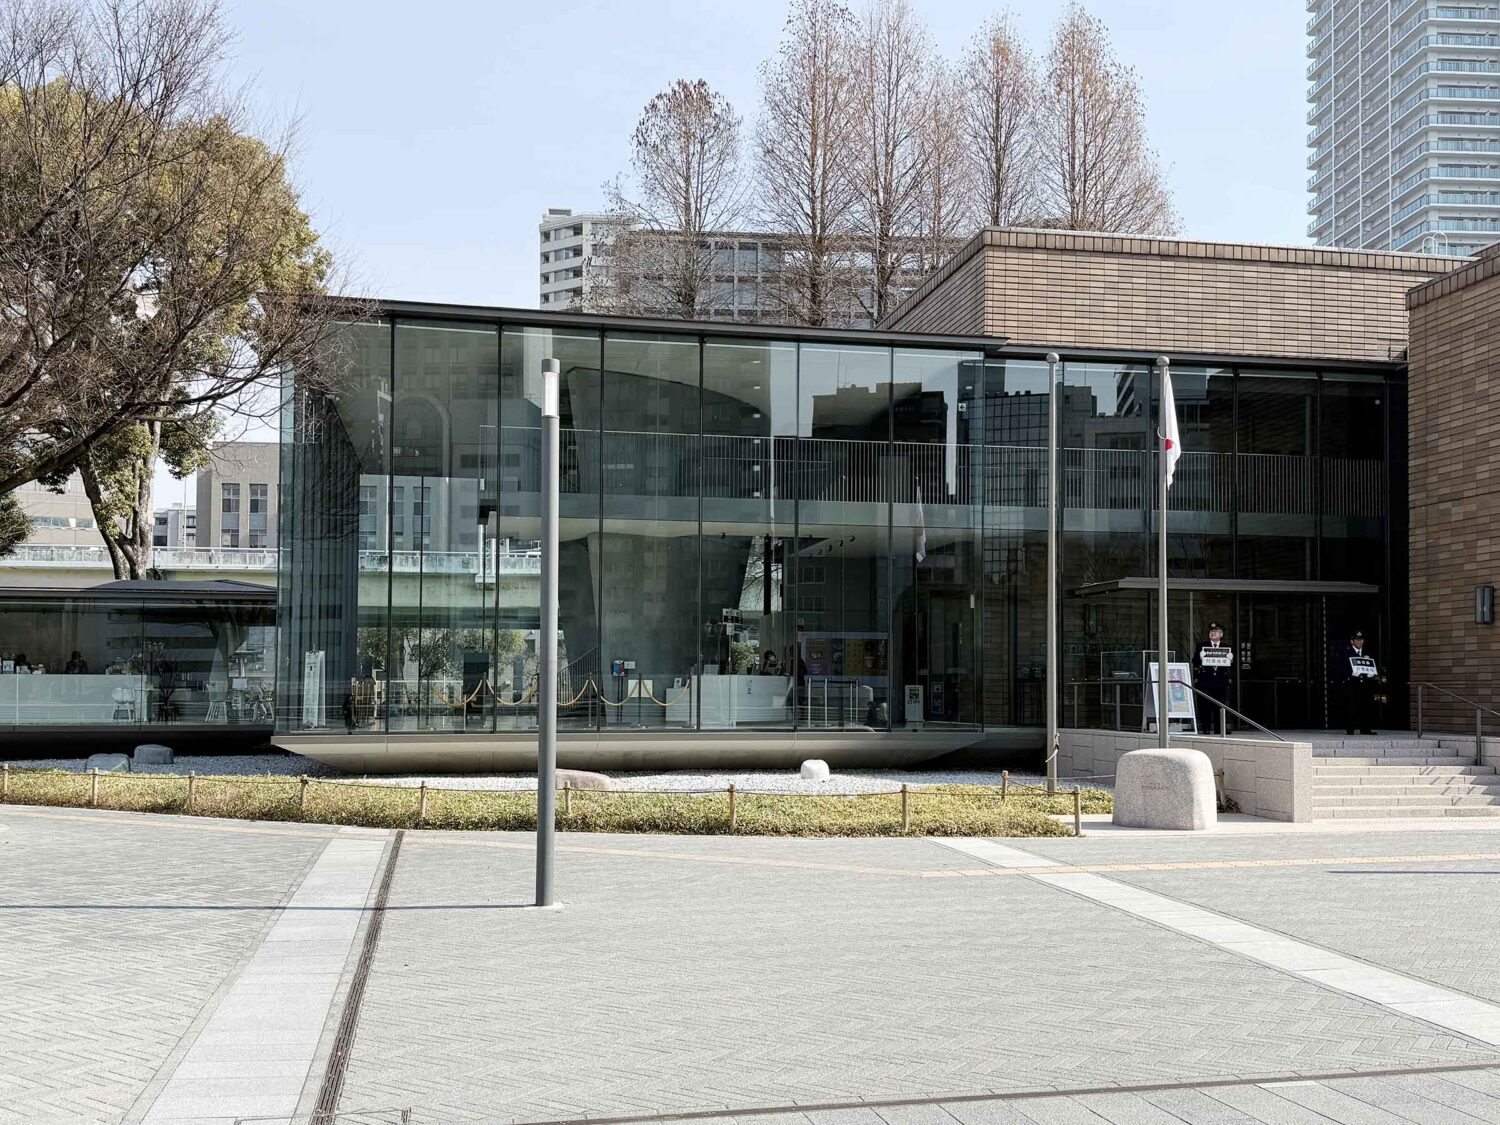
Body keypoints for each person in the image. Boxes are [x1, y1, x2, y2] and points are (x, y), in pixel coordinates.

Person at [1192, 622, 1233, 733]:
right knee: (1204, 706)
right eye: (1211, 631)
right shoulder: (1202, 646)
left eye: (1216, 631)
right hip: (1205, 681)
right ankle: (1205, 728)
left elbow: (1232, 665)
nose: (1213, 633)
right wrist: (1200, 657)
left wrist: (1231, 659)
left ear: (1221, 634)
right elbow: (1194, 661)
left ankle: (1219, 729)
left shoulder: (1227, 647)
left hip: (1220, 682)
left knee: (1219, 706)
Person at [1340, 630, 1379, 736]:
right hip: (1351, 683)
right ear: (1352, 641)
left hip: (1365, 683)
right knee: (1351, 706)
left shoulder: (1367, 651)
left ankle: (1365, 729)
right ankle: (1350, 729)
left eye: (1361, 639)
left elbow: (1372, 665)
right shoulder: (1346, 651)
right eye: (1357, 640)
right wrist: (1350, 674)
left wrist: (1372, 674)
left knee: (1366, 706)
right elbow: (1341, 667)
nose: (1360, 642)